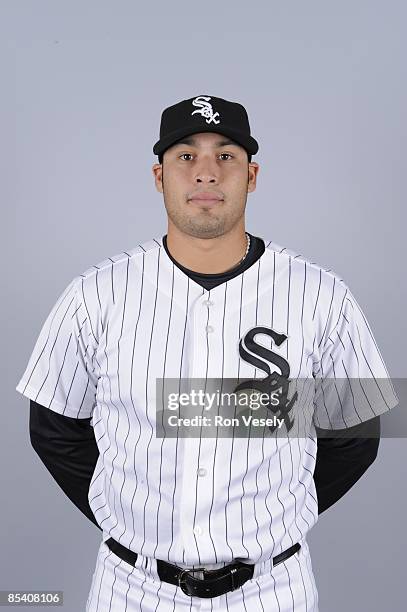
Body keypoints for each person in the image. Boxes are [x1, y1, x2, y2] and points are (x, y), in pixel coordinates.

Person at [16, 95, 399, 611]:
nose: (205, 173)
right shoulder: (96, 294)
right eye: (185, 156)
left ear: (252, 175)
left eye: (225, 156)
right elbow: (53, 429)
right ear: (159, 176)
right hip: (132, 589)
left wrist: (276, 520)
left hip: (272, 589)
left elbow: (356, 436)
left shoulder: (321, 294)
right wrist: (130, 518)